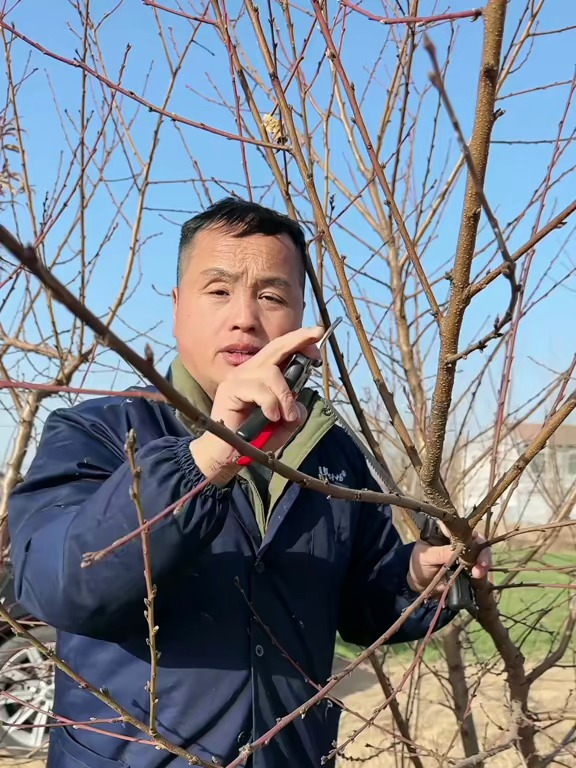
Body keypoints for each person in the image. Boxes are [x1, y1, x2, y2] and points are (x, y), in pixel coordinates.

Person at [8, 198, 490, 768]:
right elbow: (59, 583)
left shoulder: (329, 451)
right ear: (178, 306)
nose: (245, 317)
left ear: (302, 316)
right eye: (218, 291)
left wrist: (413, 576)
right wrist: (208, 458)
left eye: (271, 295)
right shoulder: (99, 432)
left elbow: (358, 599)